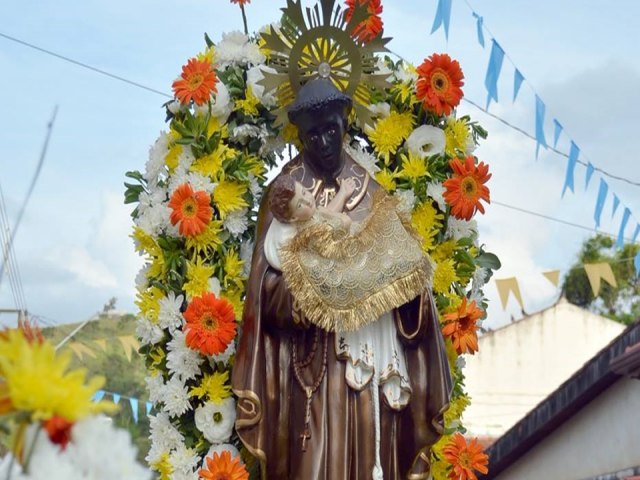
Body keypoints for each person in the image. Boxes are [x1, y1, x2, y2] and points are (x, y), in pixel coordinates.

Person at [232, 78, 452, 480]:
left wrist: (403, 291)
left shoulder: (372, 193)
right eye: (312, 133)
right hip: (310, 372)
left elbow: (410, 286)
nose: (323, 142)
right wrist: (317, 296)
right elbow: (265, 295)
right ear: (300, 135)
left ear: (345, 123)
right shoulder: (285, 195)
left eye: (331, 129)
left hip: (371, 367)